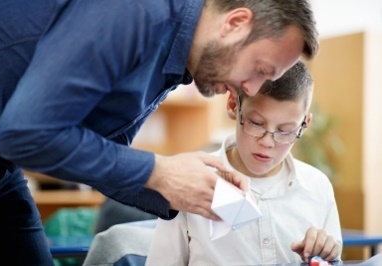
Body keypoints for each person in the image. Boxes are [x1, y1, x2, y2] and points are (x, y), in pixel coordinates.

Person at [0, 0, 318, 264]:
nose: (251, 87)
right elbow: (24, 133)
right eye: (260, 70)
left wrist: (181, 187)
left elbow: (101, 152)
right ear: (234, 24)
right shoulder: (136, 11)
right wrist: (160, 172)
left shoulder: (173, 57)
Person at [146, 61, 342, 266]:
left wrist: (327, 255)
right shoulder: (190, 181)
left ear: (304, 125)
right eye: (256, 123)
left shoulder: (318, 187)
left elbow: (330, 260)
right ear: (233, 106)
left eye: (285, 131)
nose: (267, 142)